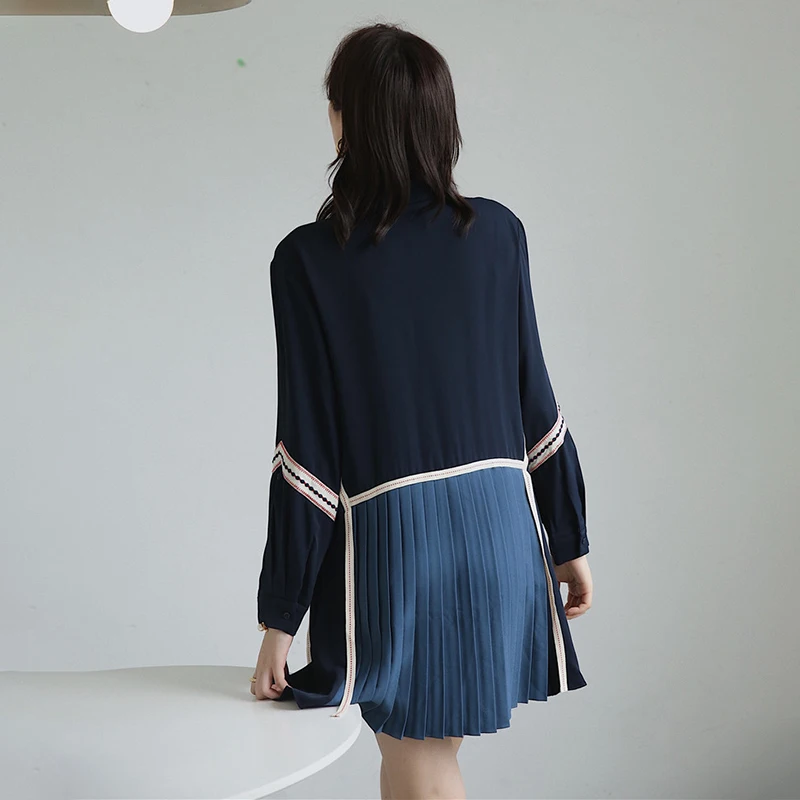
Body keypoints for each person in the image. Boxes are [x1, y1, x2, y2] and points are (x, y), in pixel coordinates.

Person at [249, 21, 593, 800]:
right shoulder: (498, 233)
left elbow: (306, 451)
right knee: (424, 757)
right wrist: (569, 538)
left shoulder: (307, 259)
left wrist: (280, 618)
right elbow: (535, 400)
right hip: (504, 533)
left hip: (399, 547)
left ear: (343, 121)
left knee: (420, 762)